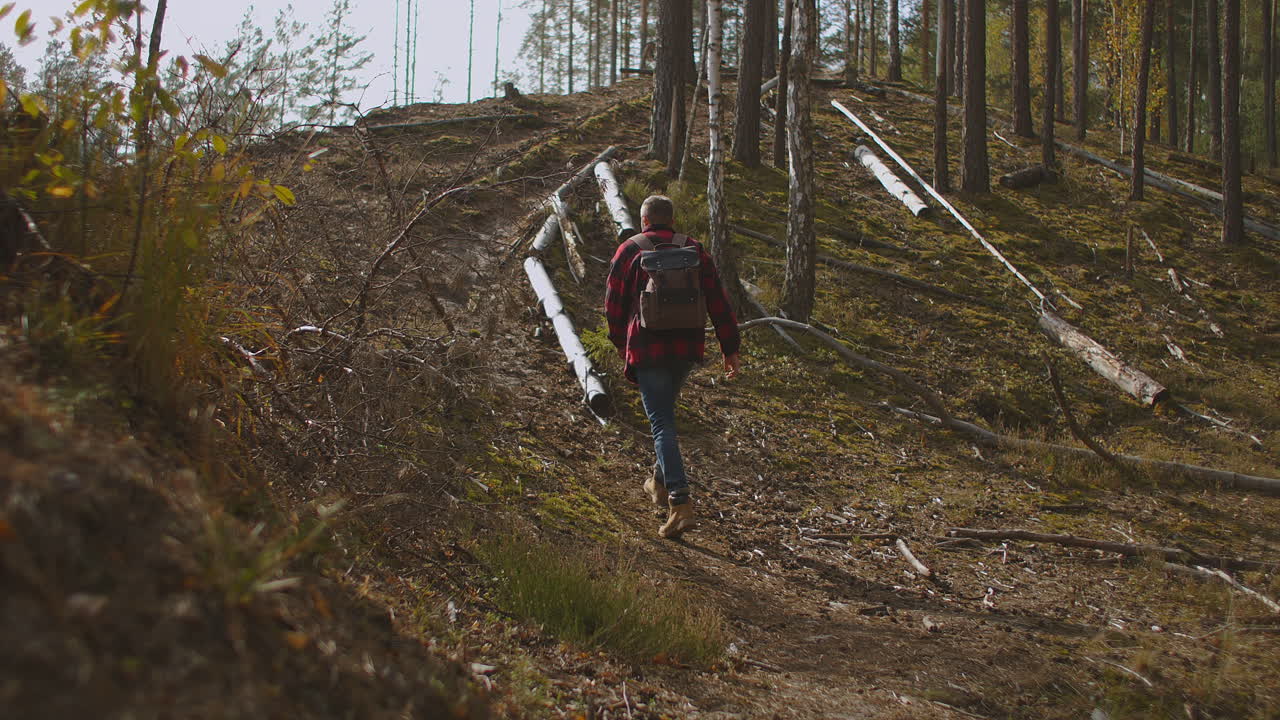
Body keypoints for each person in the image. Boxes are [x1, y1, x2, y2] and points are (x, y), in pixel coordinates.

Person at [604, 195, 741, 539]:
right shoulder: (693, 249)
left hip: (647, 349)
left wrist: (619, 341)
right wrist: (730, 347)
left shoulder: (630, 249)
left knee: (661, 423)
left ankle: (680, 503)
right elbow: (718, 300)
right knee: (664, 416)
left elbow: (613, 302)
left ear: (644, 220)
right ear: (672, 220)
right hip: (685, 349)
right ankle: (658, 483)